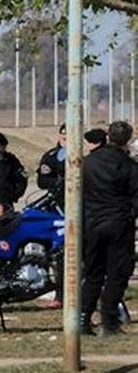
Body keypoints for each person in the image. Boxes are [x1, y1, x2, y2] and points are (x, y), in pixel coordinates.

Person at [79, 121, 138, 335]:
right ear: (128, 139)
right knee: (117, 274)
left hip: (91, 225)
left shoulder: (87, 162)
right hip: (119, 226)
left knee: (93, 273)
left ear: (108, 136)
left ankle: (83, 319)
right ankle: (109, 319)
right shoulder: (129, 166)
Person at [0, 133, 28, 210]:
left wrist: (15, 194)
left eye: (1, 146)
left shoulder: (11, 160)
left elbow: (22, 177)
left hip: (5, 200)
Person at [36, 125, 67, 206]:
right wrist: (60, 182)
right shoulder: (51, 157)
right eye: (63, 134)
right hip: (58, 200)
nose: (65, 137)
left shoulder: (81, 156)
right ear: (59, 136)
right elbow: (42, 181)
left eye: (69, 134)